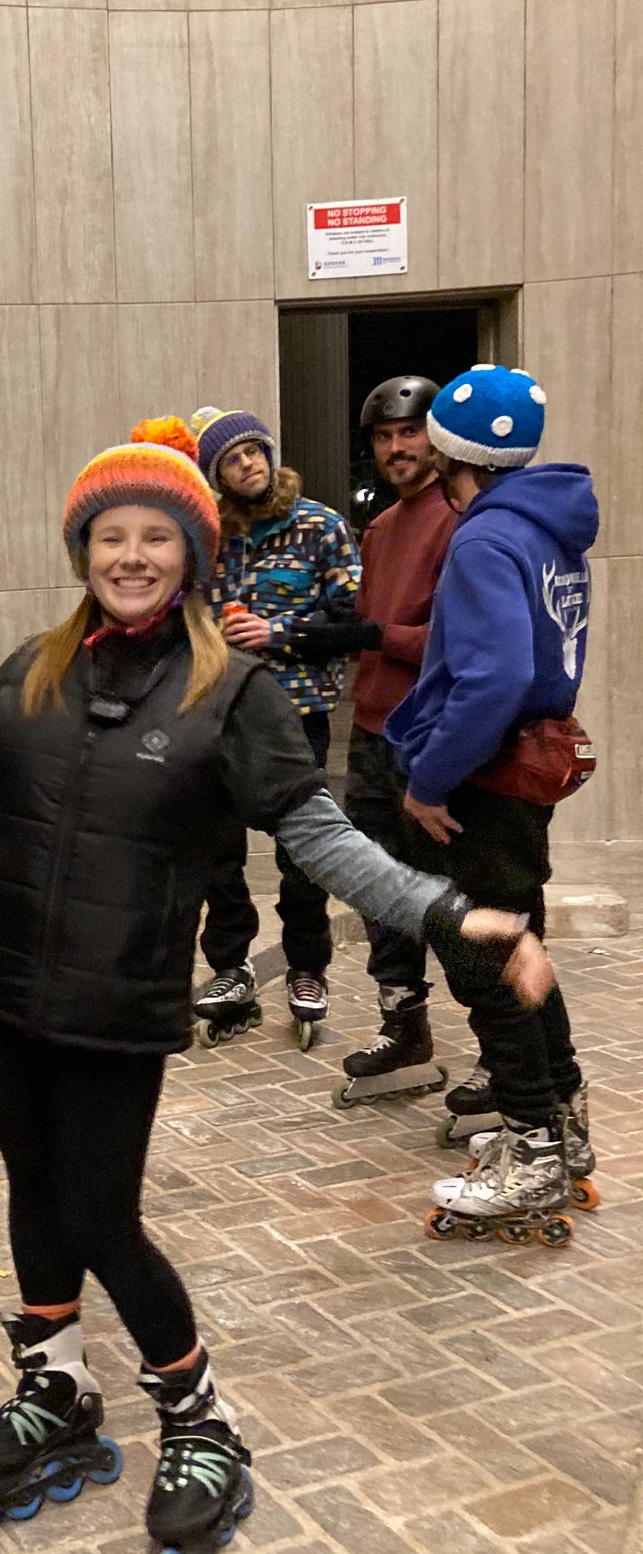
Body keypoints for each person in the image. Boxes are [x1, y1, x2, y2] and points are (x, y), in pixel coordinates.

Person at [0, 418, 550, 1554]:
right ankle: (54, 1378)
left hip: (115, 999)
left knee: (101, 1214)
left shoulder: (233, 691)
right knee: (33, 1194)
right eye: (111, 534)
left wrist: (452, 915)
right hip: (0, 985)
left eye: (157, 536)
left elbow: (316, 837)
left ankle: (197, 1412)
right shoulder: (33, 667)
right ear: (83, 547)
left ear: (192, 555)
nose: (132, 554)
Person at [386, 365, 598, 1237]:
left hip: (482, 778)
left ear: (446, 449)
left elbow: (495, 675)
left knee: (484, 959)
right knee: (522, 946)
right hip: (523, 772)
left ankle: (532, 1148)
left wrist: (429, 781)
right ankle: (563, 1117)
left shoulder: (482, 538)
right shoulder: (546, 526)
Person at [289, 377, 466, 1112]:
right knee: (375, 889)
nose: (396, 447)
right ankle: (404, 1024)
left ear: (437, 437)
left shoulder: (461, 522)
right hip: (368, 734)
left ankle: (497, 1053)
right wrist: (325, 623)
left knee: (448, 896)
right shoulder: (381, 527)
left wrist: (371, 634)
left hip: (429, 741)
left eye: (409, 432)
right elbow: (366, 620)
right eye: (382, 438)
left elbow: (459, 645)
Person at [189, 409, 361, 1046]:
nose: (248, 464)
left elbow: (355, 621)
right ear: (220, 475)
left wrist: (280, 633)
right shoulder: (209, 537)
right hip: (220, 713)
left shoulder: (320, 525)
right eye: (232, 460)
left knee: (302, 853)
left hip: (297, 716)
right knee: (218, 852)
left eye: (253, 451)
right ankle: (231, 971)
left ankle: (306, 969)